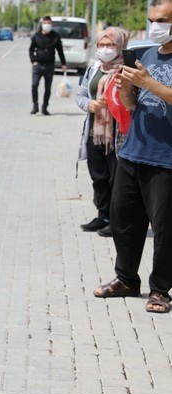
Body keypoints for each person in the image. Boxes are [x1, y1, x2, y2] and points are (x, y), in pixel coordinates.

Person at [92, 0, 172, 314]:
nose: (156, 27)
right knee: (123, 219)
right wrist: (125, 84)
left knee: (165, 228)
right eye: (152, 20)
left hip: (166, 159)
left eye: (163, 20)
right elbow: (129, 105)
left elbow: (156, 89)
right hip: (133, 151)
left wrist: (148, 83)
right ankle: (126, 279)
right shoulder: (147, 55)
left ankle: (160, 290)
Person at [75, 27, 129, 238]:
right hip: (95, 130)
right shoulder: (94, 68)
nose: (105, 49)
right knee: (98, 176)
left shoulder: (128, 69)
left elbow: (134, 101)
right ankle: (103, 215)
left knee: (117, 178)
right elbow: (80, 95)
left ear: (120, 46)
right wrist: (90, 104)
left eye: (110, 45)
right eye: (102, 45)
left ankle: (118, 221)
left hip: (118, 133)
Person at [29, 16, 67, 115]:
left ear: (51, 24)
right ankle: (35, 105)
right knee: (34, 85)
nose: (47, 25)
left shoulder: (55, 36)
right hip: (38, 65)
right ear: (42, 24)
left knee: (48, 88)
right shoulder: (36, 36)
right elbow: (31, 49)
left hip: (49, 65)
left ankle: (44, 107)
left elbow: (60, 51)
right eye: (45, 23)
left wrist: (63, 63)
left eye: (48, 23)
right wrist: (33, 61)